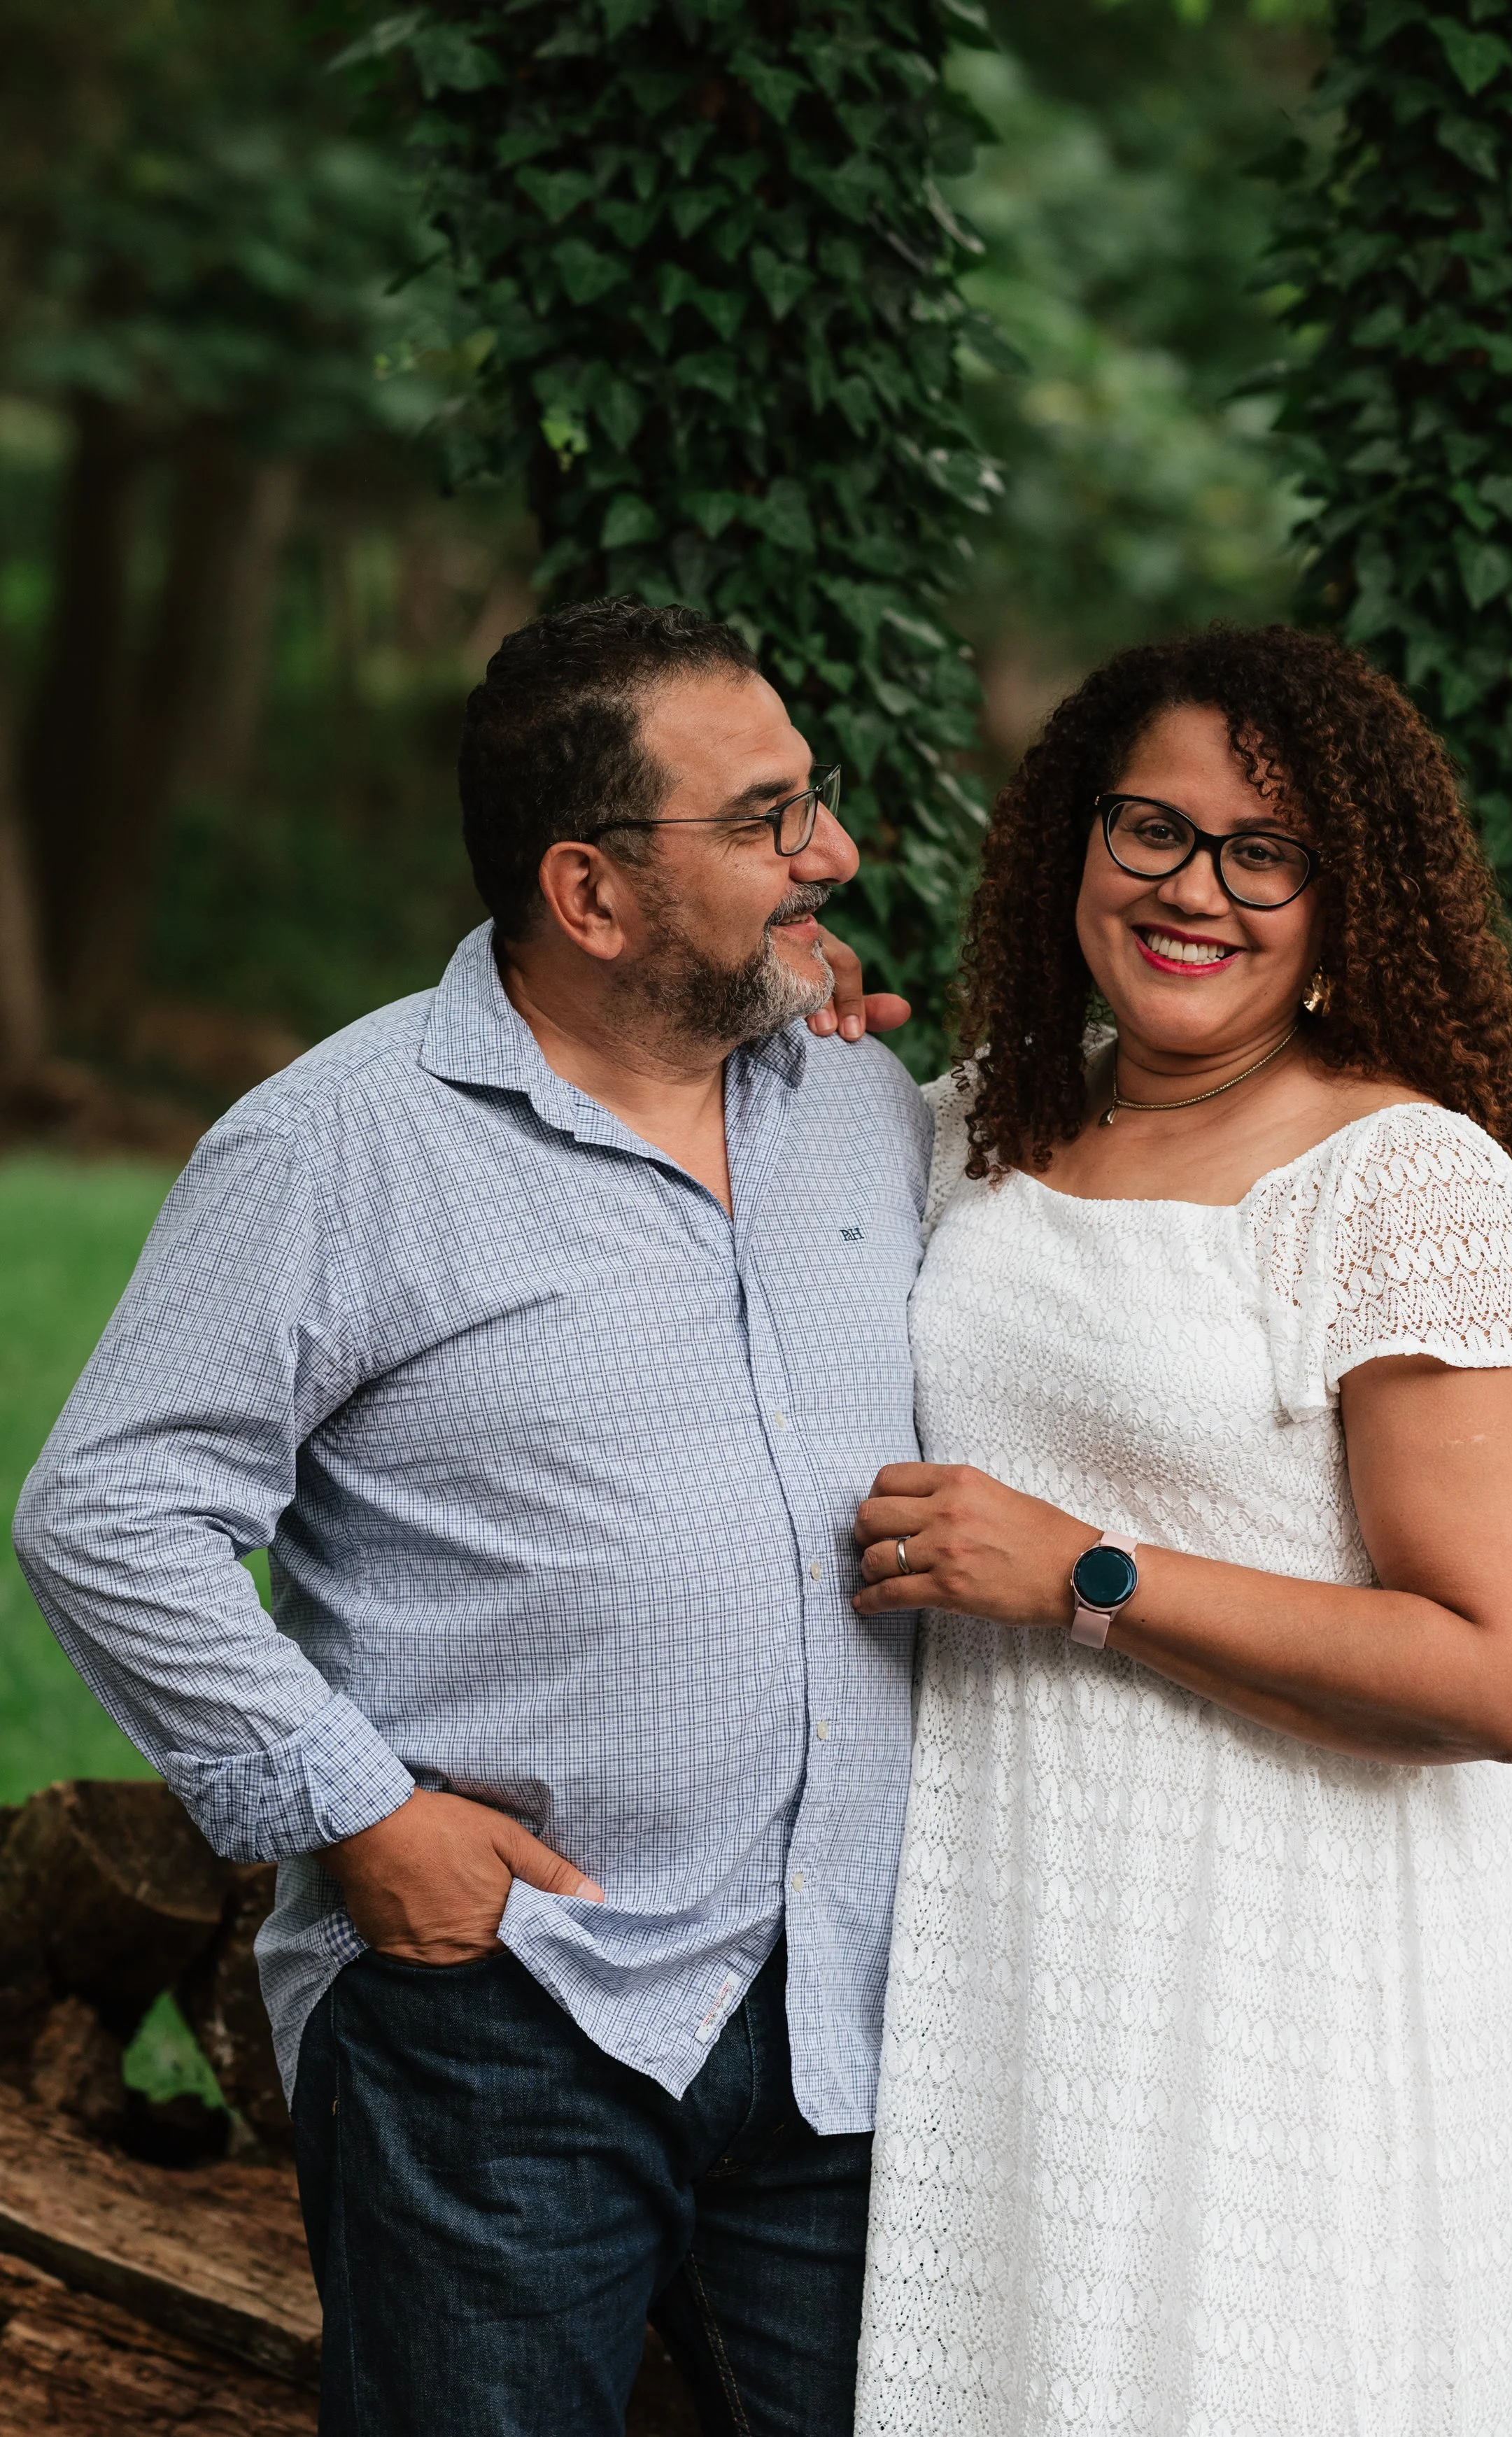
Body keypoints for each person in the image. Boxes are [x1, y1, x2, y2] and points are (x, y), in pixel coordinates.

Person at [13, 597, 928, 2437]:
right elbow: (111, 1510)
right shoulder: (341, 1143)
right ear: (587, 894)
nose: (826, 852)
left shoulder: (860, 1100)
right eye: (764, 820)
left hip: (844, 2014)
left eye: (809, 800)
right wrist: (358, 1813)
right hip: (504, 2017)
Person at [846, 626, 1512, 2436]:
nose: (1200, 892)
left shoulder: (1399, 1180)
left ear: (1350, 897)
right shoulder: (985, 1117)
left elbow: (1500, 1671)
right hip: (1014, 1930)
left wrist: (1087, 1575)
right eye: (1153, 832)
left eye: (1267, 854)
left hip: (1283, 1966)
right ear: (1072, 842)